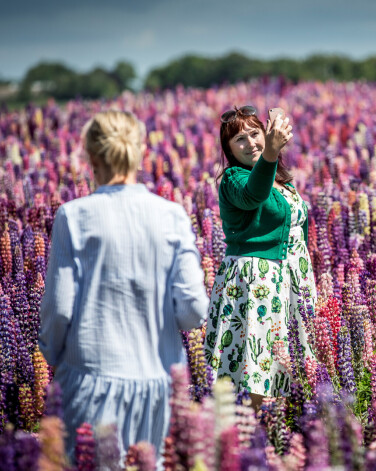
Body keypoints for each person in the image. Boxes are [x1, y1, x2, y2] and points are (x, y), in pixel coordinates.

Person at [39, 110, 209, 460]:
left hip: (89, 380)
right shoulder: (172, 215)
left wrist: (54, 359)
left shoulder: (73, 216)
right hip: (159, 384)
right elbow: (194, 310)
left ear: (92, 157)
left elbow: (58, 309)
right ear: (140, 152)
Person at [204, 106, 316, 410]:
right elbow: (253, 195)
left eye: (255, 134)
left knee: (291, 366)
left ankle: (282, 434)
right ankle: (253, 435)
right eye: (240, 139)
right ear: (228, 150)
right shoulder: (233, 180)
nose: (251, 142)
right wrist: (271, 152)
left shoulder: (279, 178)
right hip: (256, 285)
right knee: (258, 364)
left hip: (292, 282)